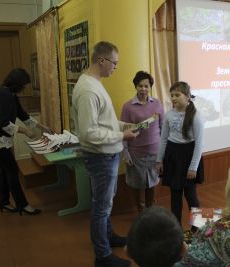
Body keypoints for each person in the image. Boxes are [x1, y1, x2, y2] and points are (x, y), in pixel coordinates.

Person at [72, 41, 138, 267]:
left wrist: (122, 126)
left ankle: (109, 237)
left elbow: (104, 121)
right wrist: (122, 136)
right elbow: (89, 132)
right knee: (101, 207)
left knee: (106, 203)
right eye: (114, 63)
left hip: (108, 155)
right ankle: (102, 255)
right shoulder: (88, 90)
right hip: (101, 157)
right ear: (101, 60)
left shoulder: (94, 83)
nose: (115, 68)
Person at [0, 68, 52, 215]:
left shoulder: (10, 94)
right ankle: (23, 204)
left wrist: (43, 127)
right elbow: (4, 124)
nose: (25, 88)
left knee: (5, 169)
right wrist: (26, 132)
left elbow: (23, 116)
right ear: (18, 84)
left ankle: (3, 202)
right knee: (12, 170)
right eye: (24, 85)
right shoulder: (4, 96)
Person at [156, 81, 204, 226]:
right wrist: (159, 160)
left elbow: (199, 144)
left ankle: (198, 229)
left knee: (191, 196)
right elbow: (163, 139)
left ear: (188, 96)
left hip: (188, 157)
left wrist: (193, 167)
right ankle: (176, 229)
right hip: (172, 157)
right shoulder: (169, 115)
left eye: (177, 95)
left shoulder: (195, 116)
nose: (174, 98)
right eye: (172, 95)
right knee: (175, 196)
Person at [121, 71, 164, 213]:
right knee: (136, 184)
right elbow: (124, 131)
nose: (143, 89)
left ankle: (150, 211)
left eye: (146, 86)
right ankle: (140, 211)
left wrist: (163, 153)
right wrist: (126, 153)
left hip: (154, 152)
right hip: (136, 154)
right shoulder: (128, 107)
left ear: (150, 87)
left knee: (152, 184)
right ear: (136, 86)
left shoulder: (157, 103)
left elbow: (163, 127)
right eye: (140, 86)